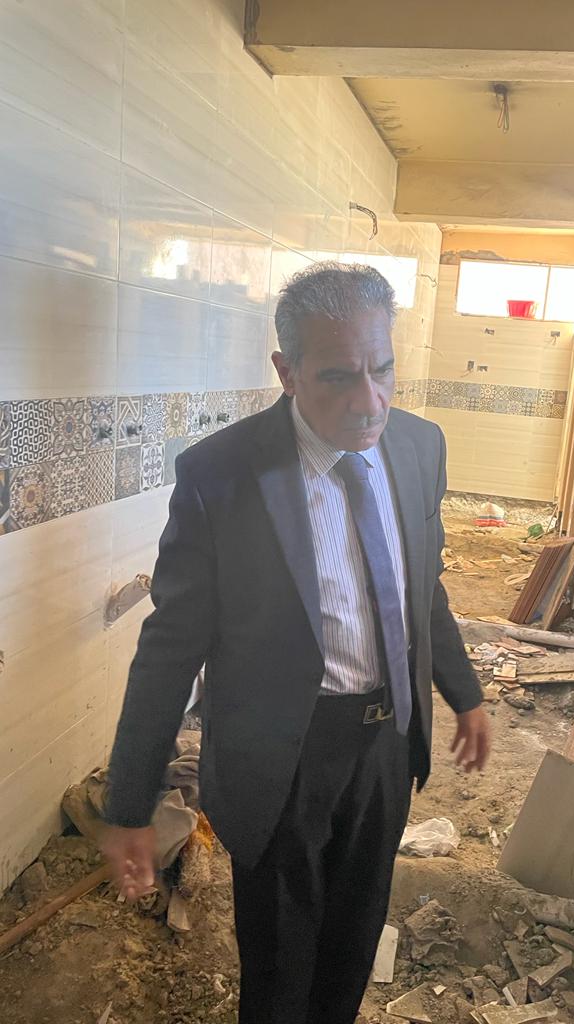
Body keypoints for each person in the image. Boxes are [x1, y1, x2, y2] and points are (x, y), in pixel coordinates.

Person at [102, 262, 491, 1024]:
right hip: (281, 757)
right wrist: (129, 803)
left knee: (351, 945)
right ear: (287, 372)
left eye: (382, 369)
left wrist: (464, 692)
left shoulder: (419, 448)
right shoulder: (223, 476)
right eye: (339, 377)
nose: (369, 401)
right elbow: (170, 649)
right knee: (281, 966)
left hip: (386, 747)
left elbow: (422, 586)